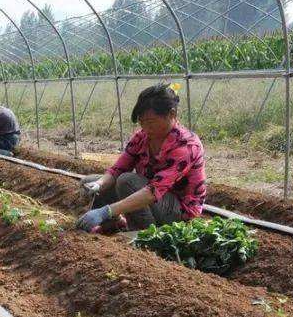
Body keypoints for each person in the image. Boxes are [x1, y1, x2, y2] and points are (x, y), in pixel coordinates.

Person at [76, 83, 206, 232]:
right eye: (142, 122)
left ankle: (144, 233)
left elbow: (153, 192)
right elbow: (118, 168)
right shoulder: (142, 138)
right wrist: (99, 184)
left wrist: (106, 210)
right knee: (90, 182)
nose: (145, 127)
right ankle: (114, 224)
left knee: (127, 181)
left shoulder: (187, 146)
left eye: (150, 122)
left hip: (179, 212)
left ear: (172, 114)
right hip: (151, 197)